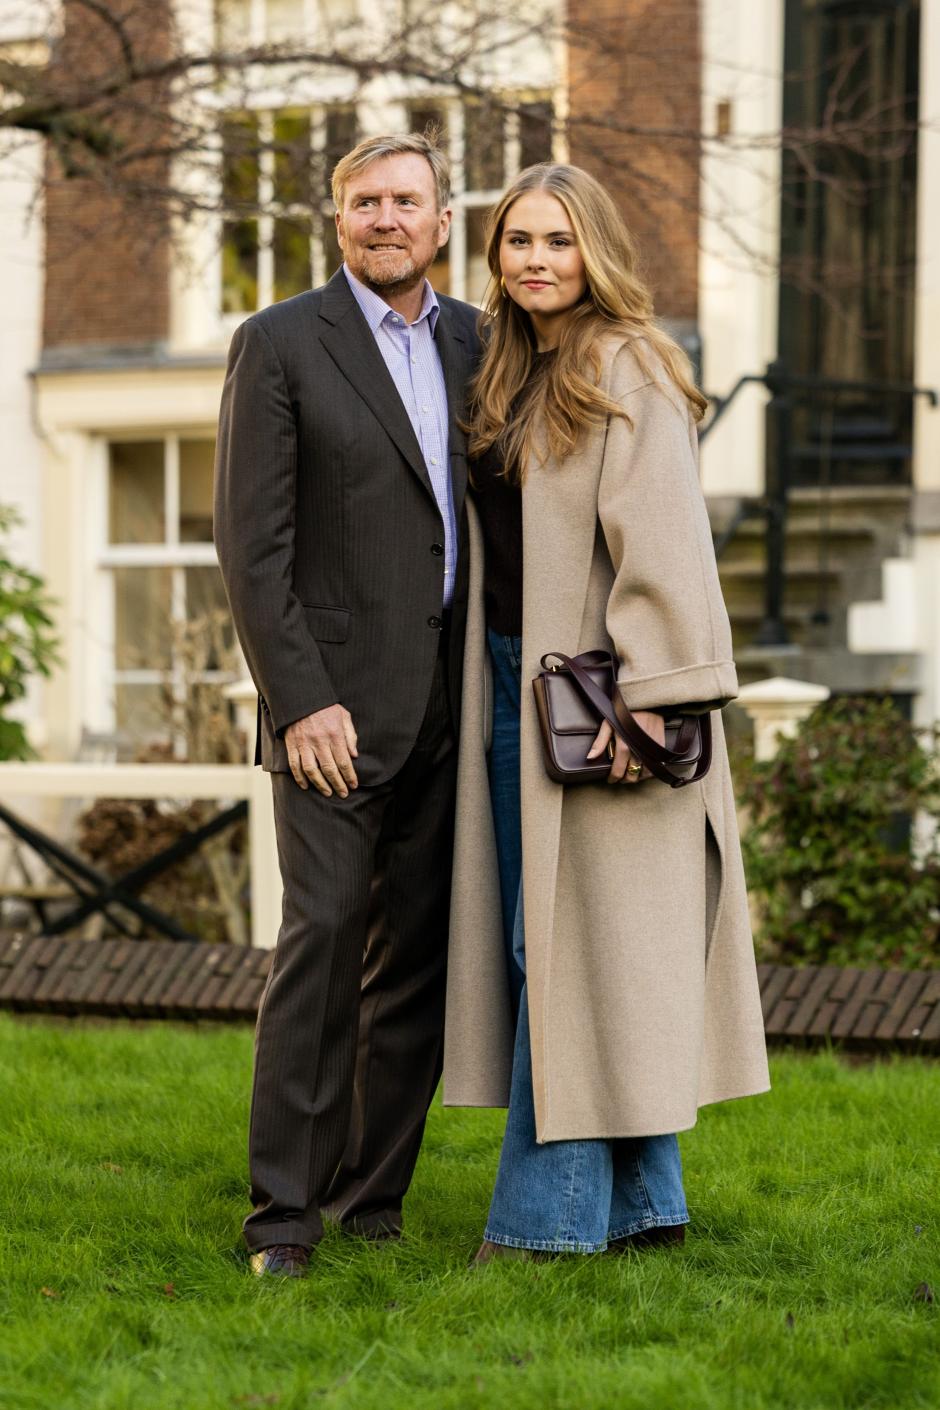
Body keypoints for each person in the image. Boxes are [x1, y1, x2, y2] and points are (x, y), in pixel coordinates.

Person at [442, 164, 770, 1260]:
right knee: (589, 949)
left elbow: (665, 539)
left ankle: (545, 1224)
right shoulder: (508, 367)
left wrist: (644, 702)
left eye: (558, 242)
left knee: (571, 952)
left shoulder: (624, 359)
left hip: (601, 700)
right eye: (518, 241)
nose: (535, 259)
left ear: (597, 253)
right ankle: (646, 1206)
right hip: (511, 683)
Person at [214, 132, 480, 1276]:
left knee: (414, 956)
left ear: (440, 222)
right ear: (338, 223)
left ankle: (374, 1202)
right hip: (329, 711)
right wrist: (300, 700)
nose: (385, 219)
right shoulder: (277, 344)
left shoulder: (481, 339)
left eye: (405, 202)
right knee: (321, 946)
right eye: (364, 201)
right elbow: (250, 545)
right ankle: (283, 1216)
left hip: (451, 705)